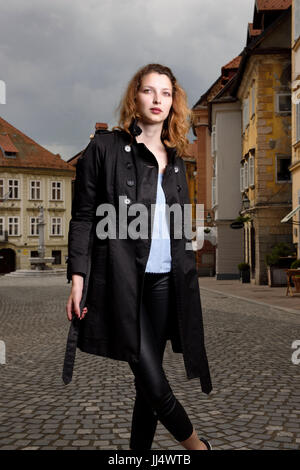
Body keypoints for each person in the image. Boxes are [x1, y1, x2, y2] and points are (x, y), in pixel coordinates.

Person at [63, 63, 212, 451]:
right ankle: (199, 447)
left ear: (173, 101)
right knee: (152, 379)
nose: (157, 99)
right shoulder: (105, 148)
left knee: (147, 385)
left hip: (166, 282)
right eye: (149, 91)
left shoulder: (177, 159)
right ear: (136, 97)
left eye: (166, 92)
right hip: (121, 282)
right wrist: (78, 278)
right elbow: (83, 217)